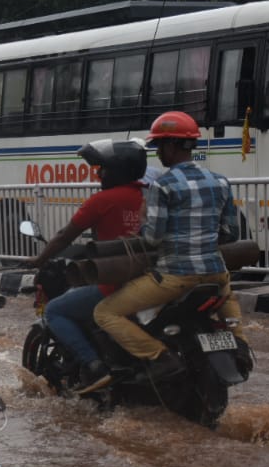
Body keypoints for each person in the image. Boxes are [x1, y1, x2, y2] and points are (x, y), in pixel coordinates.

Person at [93, 111, 247, 380]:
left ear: (172, 146)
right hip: (216, 274)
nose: (158, 152)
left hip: (174, 278)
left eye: (160, 146)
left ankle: (159, 356)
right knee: (228, 297)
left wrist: (143, 221)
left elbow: (153, 238)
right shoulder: (220, 181)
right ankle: (241, 345)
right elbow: (231, 233)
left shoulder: (162, 186)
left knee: (105, 312)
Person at [24, 138, 148, 393]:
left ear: (116, 171)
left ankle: (94, 365)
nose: (99, 174)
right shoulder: (148, 196)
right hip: (148, 283)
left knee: (55, 310)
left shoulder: (102, 200)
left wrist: (39, 259)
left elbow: (64, 236)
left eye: (103, 169)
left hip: (113, 284)